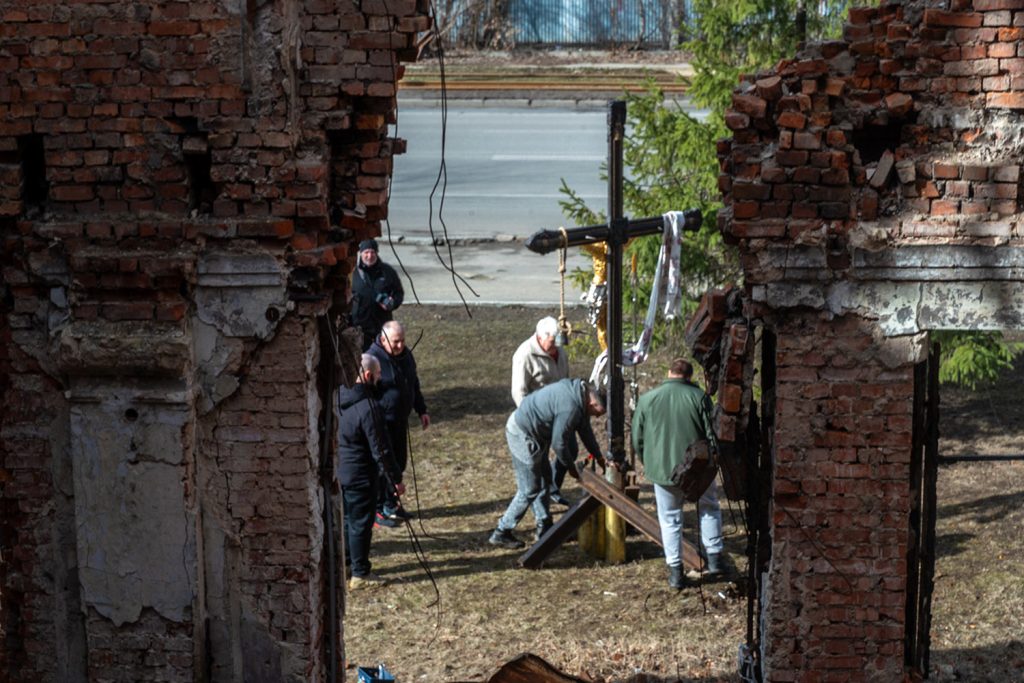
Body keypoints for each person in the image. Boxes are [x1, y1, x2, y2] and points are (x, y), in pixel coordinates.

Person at [632, 358, 725, 590]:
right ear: (689, 376)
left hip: (663, 471)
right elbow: (712, 434)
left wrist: (649, 462)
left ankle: (675, 573)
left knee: (670, 519)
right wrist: (715, 460)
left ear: (668, 372)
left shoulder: (647, 399)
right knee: (709, 507)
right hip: (698, 469)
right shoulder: (700, 398)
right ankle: (715, 560)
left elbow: (637, 439)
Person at [488, 379, 606, 549]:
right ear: (592, 402)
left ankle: (545, 525)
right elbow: (559, 444)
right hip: (522, 433)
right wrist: (572, 469)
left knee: (545, 479)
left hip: (536, 434)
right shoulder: (570, 407)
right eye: (597, 412)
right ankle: (501, 531)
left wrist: (600, 458)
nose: (596, 416)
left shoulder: (579, 396)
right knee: (529, 488)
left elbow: (585, 431)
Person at [336, 353, 406, 590]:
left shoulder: (338, 399)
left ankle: (346, 564)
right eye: (377, 375)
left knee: (347, 522)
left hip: (341, 473)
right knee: (360, 524)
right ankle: (360, 573)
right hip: (361, 475)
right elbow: (381, 450)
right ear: (367, 376)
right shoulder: (369, 408)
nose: (379, 379)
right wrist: (395, 479)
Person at [367, 320, 430, 526]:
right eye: (395, 342)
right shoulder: (372, 359)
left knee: (399, 462)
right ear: (383, 340)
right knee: (384, 465)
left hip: (400, 420)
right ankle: (380, 508)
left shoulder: (405, 356)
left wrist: (421, 409)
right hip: (382, 421)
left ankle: (392, 502)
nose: (400, 346)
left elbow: (413, 382)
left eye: (402, 341)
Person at [510, 316, 572, 507]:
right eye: (552, 343)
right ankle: (542, 513)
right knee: (540, 463)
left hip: (558, 414)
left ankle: (553, 487)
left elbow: (565, 380)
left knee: (570, 450)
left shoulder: (560, 352)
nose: (555, 348)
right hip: (538, 418)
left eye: (557, 344)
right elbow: (518, 391)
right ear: (541, 336)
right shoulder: (525, 355)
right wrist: (532, 420)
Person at [350, 238, 404, 351]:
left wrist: (392, 303)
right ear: (361, 253)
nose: (370, 256)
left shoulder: (388, 272)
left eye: (372, 252)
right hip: (359, 328)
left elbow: (399, 293)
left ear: (377, 253)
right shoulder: (353, 273)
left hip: (381, 328)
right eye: (366, 252)